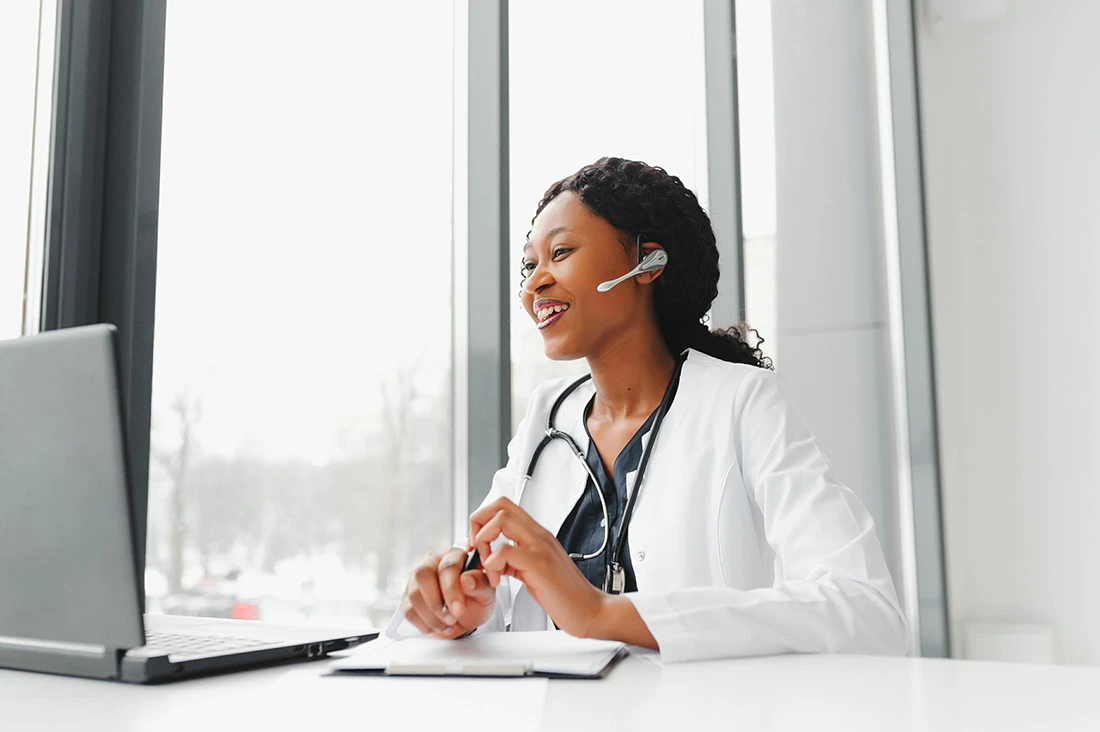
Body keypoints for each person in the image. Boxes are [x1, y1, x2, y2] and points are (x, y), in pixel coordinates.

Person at [394, 156, 908, 662]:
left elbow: (866, 610)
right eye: (530, 265)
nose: (534, 284)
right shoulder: (547, 414)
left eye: (562, 252)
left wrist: (601, 614)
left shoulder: (741, 401)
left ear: (648, 262)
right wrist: (458, 606)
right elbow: (494, 592)